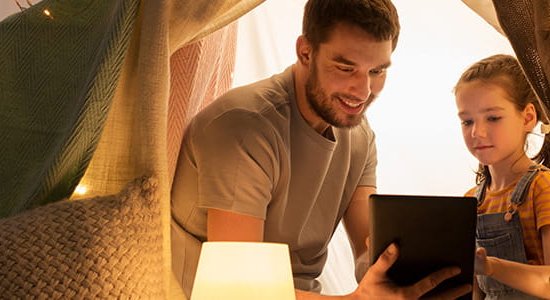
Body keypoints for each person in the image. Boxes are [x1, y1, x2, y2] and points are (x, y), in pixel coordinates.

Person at [170, 0, 468, 299]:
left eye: (377, 71)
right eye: (345, 67)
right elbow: (238, 289)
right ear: (305, 52)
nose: (363, 91)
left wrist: (404, 276)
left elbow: (369, 252)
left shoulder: (359, 136)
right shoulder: (244, 128)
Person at [454, 54, 550, 300]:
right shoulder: (470, 201)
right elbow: (475, 293)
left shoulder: (545, 187)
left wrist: (493, 267)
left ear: (528, 117)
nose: (477, 132)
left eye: (493, 118)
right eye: (467, 121)